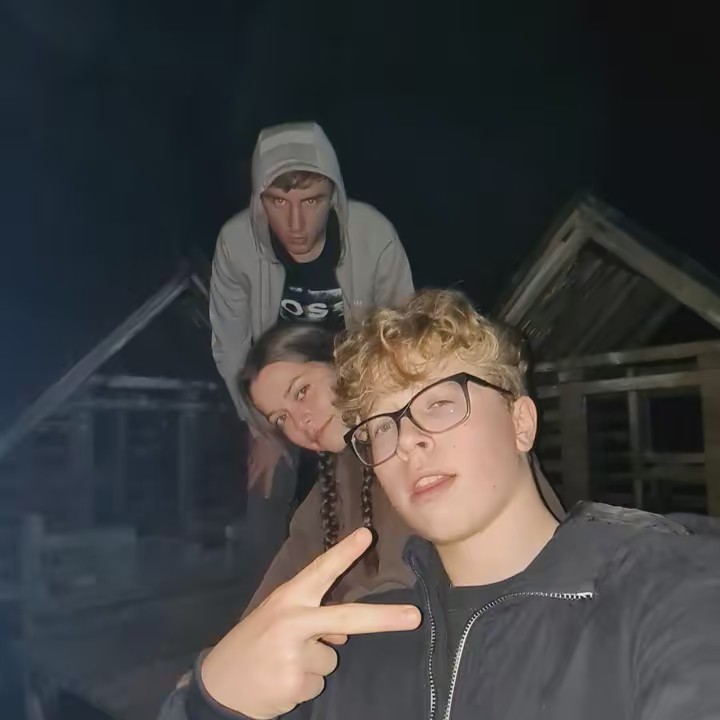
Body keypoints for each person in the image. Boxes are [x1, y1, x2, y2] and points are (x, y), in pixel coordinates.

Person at [162, 288, 720, 720]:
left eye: (439, 403)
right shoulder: (357, 657)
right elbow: (279, 597)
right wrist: (214, 700)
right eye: (381, 428)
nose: (407, 440)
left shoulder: (663, 586)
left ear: (521, 422)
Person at [209, 121, 414, 515]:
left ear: (333, 195)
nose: (296, 224)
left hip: (358, 390)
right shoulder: (236, 246)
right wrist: (263, 428)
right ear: (259, 202)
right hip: (279, 400)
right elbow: (230, 346)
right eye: (278, 202)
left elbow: (402, 333)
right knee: (266, 501)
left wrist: (381, 416)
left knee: (375, 497)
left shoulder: (372, 234)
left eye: (311, 201)